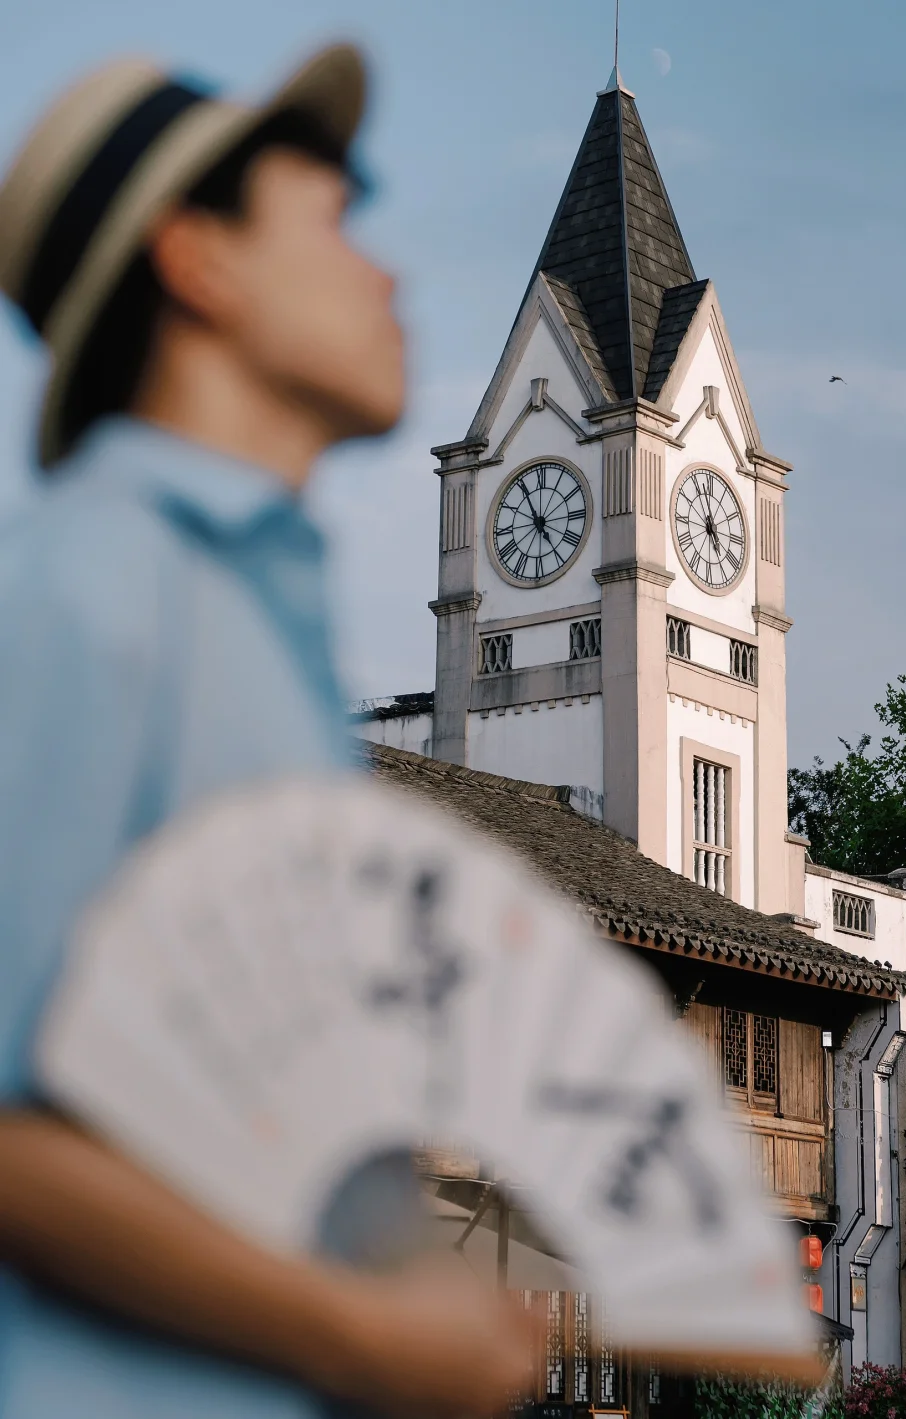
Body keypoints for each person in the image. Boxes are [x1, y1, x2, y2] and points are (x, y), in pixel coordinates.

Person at [0, 43, 537, 1419]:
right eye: (334, 220)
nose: (388, 274)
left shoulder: (261, 633)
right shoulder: (82, 582)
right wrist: (356, 1332)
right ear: (202, 261)